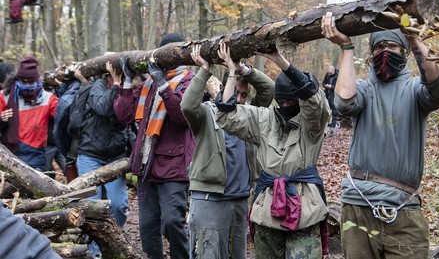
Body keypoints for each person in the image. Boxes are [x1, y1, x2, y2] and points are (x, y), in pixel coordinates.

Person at [321, 12, 439, 258]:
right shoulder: (364, 89)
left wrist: (413, 39)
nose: (386, 51)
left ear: (403, 52)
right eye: (380, 46)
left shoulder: (416, 90)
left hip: (403, 209)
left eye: (393, 45)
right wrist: (346, 47)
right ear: (371, 53)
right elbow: (344, 103)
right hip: (357, 203)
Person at [215, 46, 331, 258]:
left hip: (305, 207)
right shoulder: (264, 118)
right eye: (282, 101)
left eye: (291, 102)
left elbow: (314, 101)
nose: (286, 106)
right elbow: (226, 115)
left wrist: (279, 61)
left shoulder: (312, 125)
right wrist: (233, 71)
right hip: (267, 207)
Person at [181, 43, 274, 258]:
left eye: (244, 95)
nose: (240, 99)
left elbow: (269, 90)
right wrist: (205, 70)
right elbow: (187, 105)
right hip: (209, 200)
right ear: (222, 88)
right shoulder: (206, 113)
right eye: (236, 93)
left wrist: (242, 69)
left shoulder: (248, 116)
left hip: (239, 200)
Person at [114, 33, 194, 259]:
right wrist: (127, 81)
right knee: (148, 227)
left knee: (171, 223)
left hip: (173, 166)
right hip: (146, 164)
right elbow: (124, 114)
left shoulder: (189, 81)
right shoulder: (149, 84)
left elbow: (182, 116)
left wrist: (163, 84)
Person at [76, 61, 130, 259]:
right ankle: (95, 252)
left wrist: (121, 85)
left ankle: (113, 241)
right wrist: (115, 84)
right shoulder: (96, 87)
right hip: (90, 154)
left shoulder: (127, 87)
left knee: (119, 205)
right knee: (91, 205)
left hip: (116, 155)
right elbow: (103, 107)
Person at [0, 56, 58, 172]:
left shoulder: (48, 98)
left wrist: (62, 88)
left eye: (31, 82)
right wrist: (1, 120)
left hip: (36, 154)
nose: (27, 85)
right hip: (10, 154)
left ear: (37, 80)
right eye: (24, 82)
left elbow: (64, 116)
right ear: (18, 79)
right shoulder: (4, 96)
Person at [322, 64, 339, 132]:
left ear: (333, 71)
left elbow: (339, 87)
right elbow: (323, 83)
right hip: (327, 95)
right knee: (327, 110)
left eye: (330, 73)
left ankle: (333, 127)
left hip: (334, 96)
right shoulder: (327, 75)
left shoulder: (338, 76)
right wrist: (325, 86)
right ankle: (332, 124)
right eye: (328, 73)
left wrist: (331, 87)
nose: (329, 74)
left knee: (334, 111)